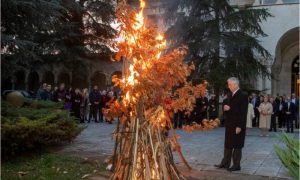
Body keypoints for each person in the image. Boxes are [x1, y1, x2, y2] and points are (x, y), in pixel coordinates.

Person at [215, 77, 248, 171]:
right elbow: (227, 108)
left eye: (230, 84)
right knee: (228, 144)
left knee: (237, 145)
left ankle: (236, 165)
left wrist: (239, 126)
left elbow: (243, 112)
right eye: (228, 84)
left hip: (238, 124)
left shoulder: (243, 95)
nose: (228, 86)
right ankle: (225, 163)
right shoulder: (230, 95)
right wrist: (225, 108)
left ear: (236, 84)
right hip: (229, 124)